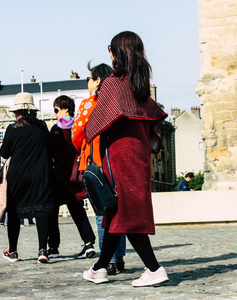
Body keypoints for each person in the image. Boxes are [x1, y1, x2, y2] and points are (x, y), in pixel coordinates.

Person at [82, 31, 169, 287]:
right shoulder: (140, 85)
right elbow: (151, 119)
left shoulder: (112, 84)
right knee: (118, 213)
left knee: (126, 213)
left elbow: (94, 125)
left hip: (120, 156)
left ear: (116, 53)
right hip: (139, 155)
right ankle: (99, 268)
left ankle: (154, 269)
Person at [72, 62, 126, 274]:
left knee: (102, 212)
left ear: (96, 80)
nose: (88, 82)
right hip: (115, 162)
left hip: (94, 162)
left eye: (89, 78)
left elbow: (76, 134)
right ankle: (118, 257)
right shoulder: (117, 100)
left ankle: (109, 259)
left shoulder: (89, 103)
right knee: (117, 211)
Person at [0, 92, 53, 263]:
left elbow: (4, 153)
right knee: (42, 209)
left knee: (14, 211)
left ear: (17, 112)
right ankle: (42, 250)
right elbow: (49, 147)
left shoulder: (12, 128)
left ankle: (13, 251)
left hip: (18, 174)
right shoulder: (41, 126)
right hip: (40, 172)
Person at [48, 95, 96, 260]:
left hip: (61, 176)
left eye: (56, 110)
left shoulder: (56, 130)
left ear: (65, 108)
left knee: (52, 211)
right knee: (77, 210)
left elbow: (49, 152)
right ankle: (88, 243)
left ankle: (53, 247)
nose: (55, 114)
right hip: (78, 174)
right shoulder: (79, 126)